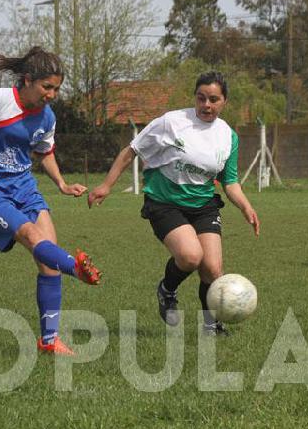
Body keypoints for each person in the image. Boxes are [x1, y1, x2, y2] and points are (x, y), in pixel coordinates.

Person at [0, 46, 102, 356]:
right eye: (47, 87)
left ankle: (49, 341)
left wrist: (62, 184)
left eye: (56, 88)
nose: (52, 94)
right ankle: (77, 269)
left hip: (24, 188)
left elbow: (45, 152)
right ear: (27, 80)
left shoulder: (47, 116)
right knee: (32, 237)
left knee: (48, 261)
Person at [87, 71, 259, 337]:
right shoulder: (171, 122)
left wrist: (246, 207)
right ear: (195, 98)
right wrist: (106, 185)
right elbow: (131, 150)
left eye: (214, 99)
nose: (206, 105)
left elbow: (231, 182)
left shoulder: (228, 136)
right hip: (164, 203)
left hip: (203, 205)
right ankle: (167, 290)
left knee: (213, 269)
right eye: (201, 98)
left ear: (225, 101)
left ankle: (211, 325)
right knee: (191, 256)